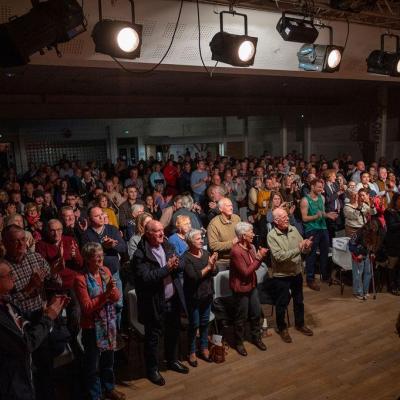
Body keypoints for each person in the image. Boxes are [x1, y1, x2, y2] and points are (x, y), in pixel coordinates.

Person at [131, 220, 188, 386]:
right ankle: (152, 370)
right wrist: (167, 269)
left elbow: (182, 261)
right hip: (154, 303)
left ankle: (172, 360)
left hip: (172, 299)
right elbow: (146, 278)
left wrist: (176, 265)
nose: (162, 234)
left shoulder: (167, 244)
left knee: (173, 331)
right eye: (157, 231)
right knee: (153, 338)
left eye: (162, 230)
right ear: (148, 234)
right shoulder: (140, 255)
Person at [0, 258, 66, 400]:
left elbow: (22, 321)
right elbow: (25, 344)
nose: (13, 276)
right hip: (12, 382)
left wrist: (48, 311)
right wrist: (48, 317)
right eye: (8, 274)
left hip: (23, 371)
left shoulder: (6, 303)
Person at [74, 242, 125, 400]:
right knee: (92, 365)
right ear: (88, 259)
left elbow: (116, 298)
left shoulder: (106, 271)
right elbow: (87, 307)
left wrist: (113, 290)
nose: (101, 260)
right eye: (97, 258)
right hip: (91, 327)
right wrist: (106, 294)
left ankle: (109, 388)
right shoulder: (80, 278)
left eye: (101, 256)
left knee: (108, 360)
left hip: (108, 323)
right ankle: (95, 395)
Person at [267, 208, 314, 343]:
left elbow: (303, 249)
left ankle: (300, 324)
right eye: (283, 217)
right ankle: (282, 328)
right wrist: (298, 248)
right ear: (276, 221)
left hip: (296, 272)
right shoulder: (271, 236)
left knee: (299, 301)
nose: (287, 218)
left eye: (287, 216)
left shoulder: (293, 229)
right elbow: (279, 256)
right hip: (281, 275)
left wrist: (306, 246)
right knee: (282, 303)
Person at [230, 222, 268, 356]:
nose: (253, 234)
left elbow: (254, 267)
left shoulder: (251, 246)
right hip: (241, 289)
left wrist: (258, 258)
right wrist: (259, 258)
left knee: (256, 313)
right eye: (251, 232)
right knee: (241, 317)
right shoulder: (236, 251)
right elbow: (246, 272)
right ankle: (239, 342)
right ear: (243, 235)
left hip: (252, 286)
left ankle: (256, 338)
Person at [184, 229, 218, 367]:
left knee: (205, 323)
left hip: (207, 294)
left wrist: (213, 264)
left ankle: (203, 348)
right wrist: (209, 266)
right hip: (194, 297)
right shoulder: (185, 257)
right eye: (198, 239)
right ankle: (191, 351)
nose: (202, 240)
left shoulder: (206, 254)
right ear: (190, 242)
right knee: (194, 325)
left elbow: (215, 272)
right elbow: (193, 277)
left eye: (201, 238)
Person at [300, 179, 338, 290]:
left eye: (322, 187)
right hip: (311, 230)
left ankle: (325, 276)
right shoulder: (305, 200)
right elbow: (304, 218)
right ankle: (310, 279)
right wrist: (316, 217)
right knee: (311, 255)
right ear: (312, 187)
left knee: (325, 254)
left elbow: (321, 214)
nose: (321, 189)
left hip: (323, 228)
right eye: (319, 187)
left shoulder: (322, 198)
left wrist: (327, 215)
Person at [207, 198, 241, 267]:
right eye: (227, 206)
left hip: (238, 257)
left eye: (231, 205)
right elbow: (213, 245)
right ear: (220, 209)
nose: (231, 208)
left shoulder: (236, 218)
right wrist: (231, 243)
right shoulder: (214, 224)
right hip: (223, 261)